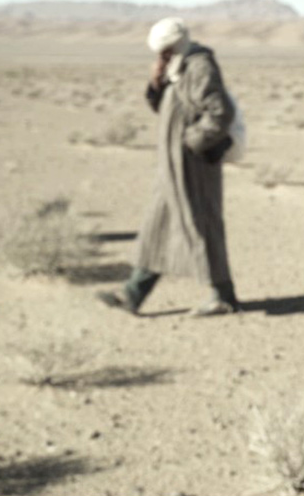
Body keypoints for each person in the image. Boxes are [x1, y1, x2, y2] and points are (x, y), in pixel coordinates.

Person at [99, 17, 239, 317]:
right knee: (159, 224)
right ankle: (133, 295)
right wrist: (156, 81)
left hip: (193, 165)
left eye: (164, 49)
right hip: (172, 167)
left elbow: (219, 112)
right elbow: (164, 107)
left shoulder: (199, 66)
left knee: (201, 224)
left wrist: (192, 142)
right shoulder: (177, 66)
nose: (159, 55)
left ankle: (223, 296)